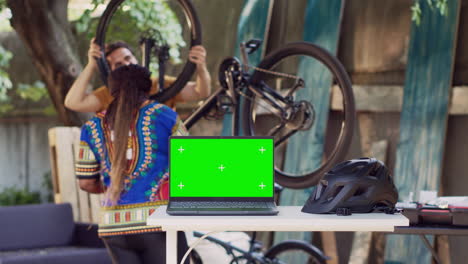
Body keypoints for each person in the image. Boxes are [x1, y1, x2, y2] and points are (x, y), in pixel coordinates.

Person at [75, 64, 189, 263]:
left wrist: (115, 185)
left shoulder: (91, 126)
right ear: (149, 88)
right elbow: (190, 165)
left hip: (114, 226)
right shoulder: (165, 115)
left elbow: (85, 182)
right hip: (157, 221)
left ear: (111, 91)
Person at [65, 38, 211, 112]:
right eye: (119, 64)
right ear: (111, 72)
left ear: (135, 58)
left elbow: (201, 91)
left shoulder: (159, 83)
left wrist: (201, 66)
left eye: (128, 58)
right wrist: (91, 65)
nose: (127, 65)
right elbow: (72, 103)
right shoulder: (107, 94)